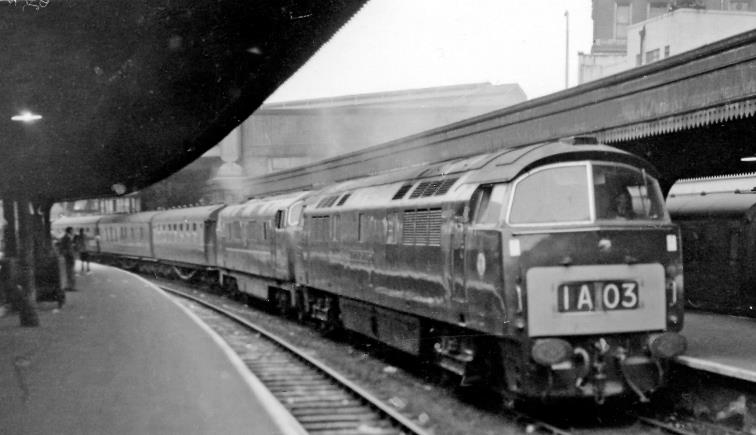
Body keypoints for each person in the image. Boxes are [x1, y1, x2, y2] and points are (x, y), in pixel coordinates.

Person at [58, 227, 76, 291]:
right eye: (72, 230)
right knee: (70, 272)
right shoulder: (67, 238)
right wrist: (69, 255)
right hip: (69, 257)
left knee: (70, 272)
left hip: (68, 256)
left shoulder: (66, 238)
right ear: (70, 231)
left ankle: (70, 286)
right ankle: (71, 287)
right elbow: (67, 248)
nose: (73, 231)